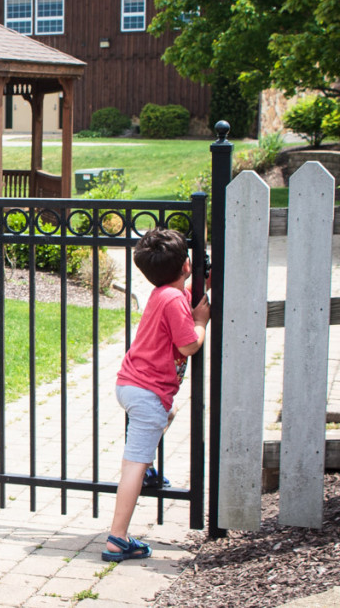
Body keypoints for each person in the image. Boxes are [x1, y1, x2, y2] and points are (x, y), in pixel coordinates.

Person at [103, 228, 210, 562]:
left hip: (133, 384)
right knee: (132, 462)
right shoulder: (176, 300)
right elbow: (188, 344)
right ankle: (117, 539)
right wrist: (202, 322)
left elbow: (181, 298)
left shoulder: (162, 293)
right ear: (187, 265)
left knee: (168, 413)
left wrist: (202, 285)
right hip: (147, 392)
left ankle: (146, 470)